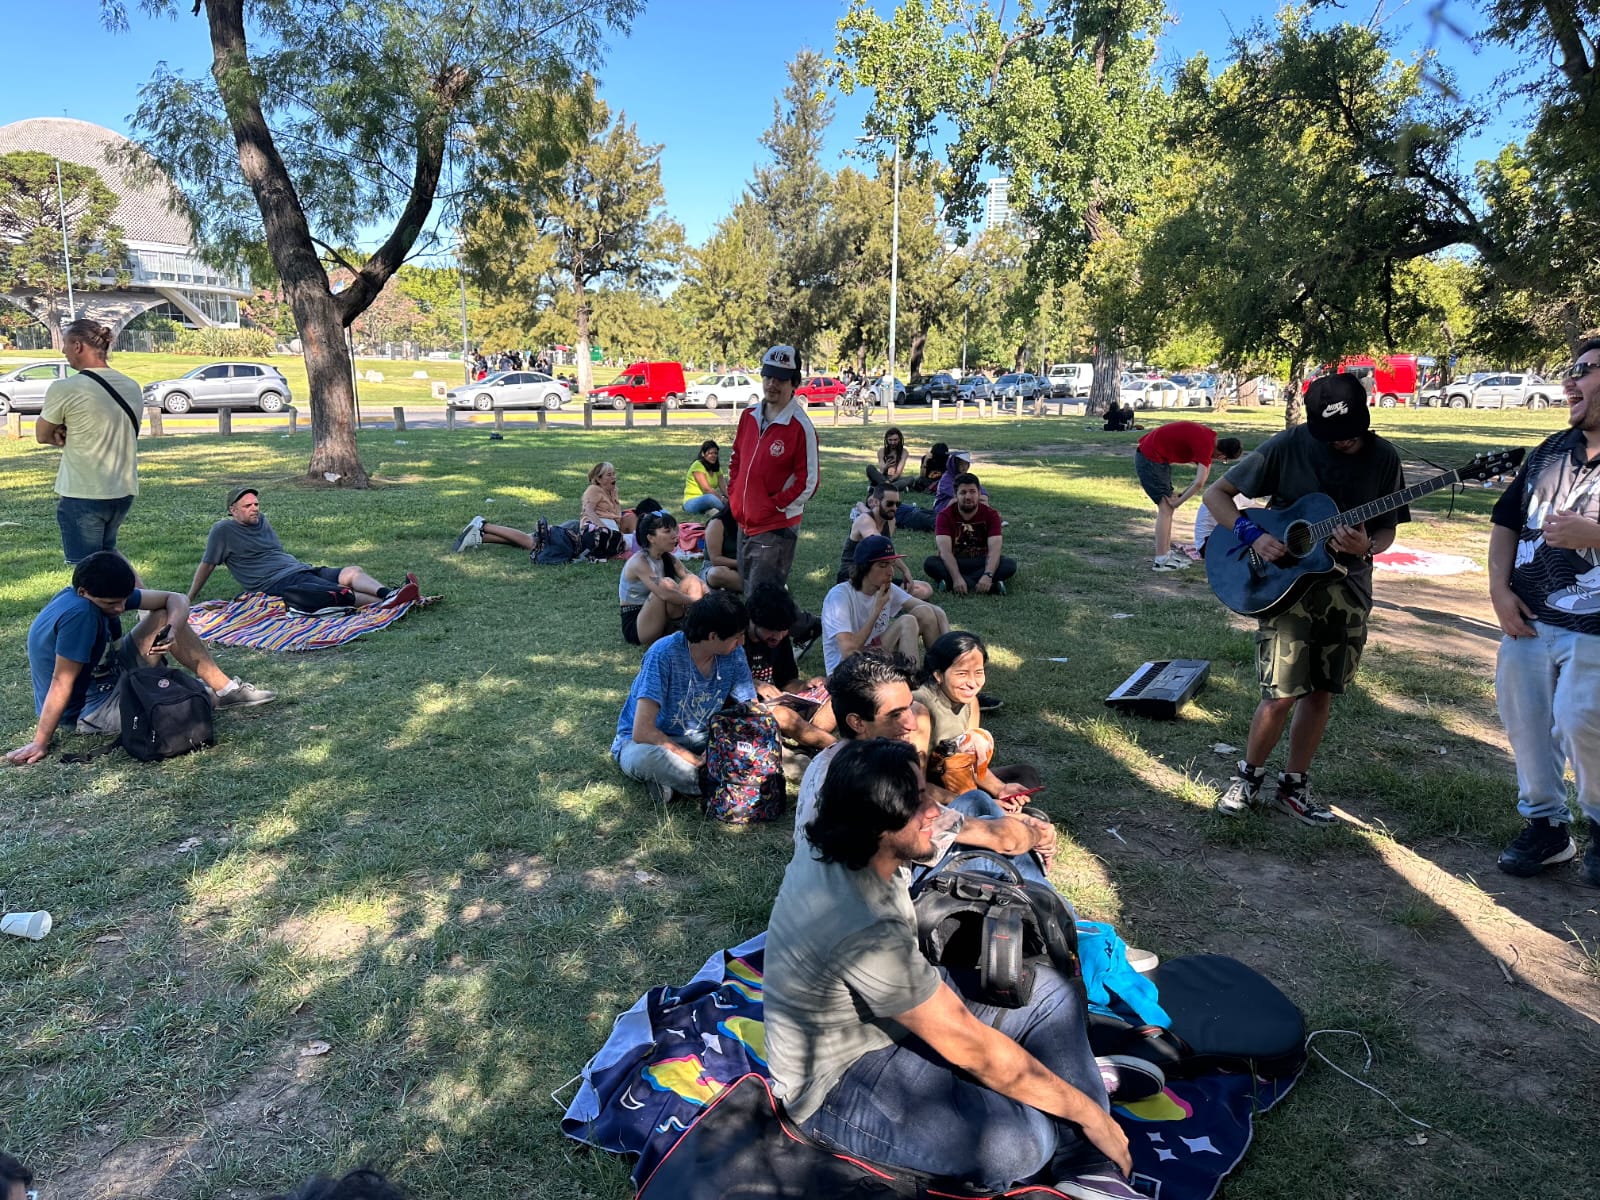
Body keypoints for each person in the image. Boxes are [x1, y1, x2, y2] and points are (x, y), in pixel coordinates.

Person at [765, 738, 1136, 1198]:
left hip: (892, 1022)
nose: (936, 813)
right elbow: (970, 1047)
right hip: (838, 1084)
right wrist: (1088, 1112)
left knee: (1049, 991)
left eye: (924, 793)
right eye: (917, 807)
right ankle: (1073, 1094)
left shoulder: (845, 833)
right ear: (877, 829)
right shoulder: (858, 922)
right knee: (1018, 1146)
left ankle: (1091, 1167)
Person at [1203, 373, 1406, 825]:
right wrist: (1252, 535)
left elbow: (1388, 527)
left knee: (1322, 690)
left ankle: (1294, 785)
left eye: (1352, 432)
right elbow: (1217, 495)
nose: (1345, 442)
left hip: (1348, 588)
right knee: (1279, 693)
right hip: (1286, 587)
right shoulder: (1287, 445)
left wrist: (1367, 547)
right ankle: (1248, 776)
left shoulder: (1384, 457)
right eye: (1334, 436)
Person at [1486, 337, 1600, 884]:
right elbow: (1507, 521)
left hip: (1595, 630)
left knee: (1584, 723)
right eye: (1569, 371)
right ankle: (1547, 827)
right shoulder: (1551, 449)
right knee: (1525, 722)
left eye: (1584, 370)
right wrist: (1498, 590)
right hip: (1529, 621)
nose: (1568, 383)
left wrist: (1595, 535)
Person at [792, 650, 1056, 884]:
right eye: (895, 714)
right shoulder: (880, 779)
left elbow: (944, 817)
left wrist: (1018, 821)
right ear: (857, 722)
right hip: (876, 907)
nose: (912, 723)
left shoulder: (828, 758)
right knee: (993, 856)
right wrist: (1036, 833)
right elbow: (1003, 839)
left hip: (827, 887)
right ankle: (1070, 929)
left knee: (975, 800)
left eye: (910, 707)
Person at [9, 551, 275, 765]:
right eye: (111, 604)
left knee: (164, 616)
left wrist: (171, 630)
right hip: (90, 710)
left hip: (112, 675)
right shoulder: (80, 616)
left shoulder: (94, 593)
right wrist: (41, 741)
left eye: (124, 600)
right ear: (83, 593)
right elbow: (60, 681)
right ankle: (208, 694)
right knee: (189, 705)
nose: (120, 609)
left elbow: (176, 599)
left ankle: (226, 689)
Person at [611, 591, 756, 804]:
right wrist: (691, 758)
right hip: (650, 743)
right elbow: (642, 731)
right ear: (713, 636)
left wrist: (731, 743)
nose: (742, 643)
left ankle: (683, 785)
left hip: (704, 737)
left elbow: (750, 707)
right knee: (645, 759)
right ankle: (723, 784)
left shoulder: (733, 654)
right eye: (737, 637)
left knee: (750, 745)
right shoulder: (663, 654)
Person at [188, 487, 419, 609]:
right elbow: (207, 565)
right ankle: (389, 604)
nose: (254, 509)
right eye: (247, 506)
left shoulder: (262, 520)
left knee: (352, 571)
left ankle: (389, 594)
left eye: (256, 504)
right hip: (276, 582)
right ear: (233, 510)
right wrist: (190, 597)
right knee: (337, 591)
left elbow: (276, 553)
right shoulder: (223, 531)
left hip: (299, 570)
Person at [34, 318, 145, 565]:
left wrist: (61, 431)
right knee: (108, 556)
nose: (62, 351)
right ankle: (154, 602)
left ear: (78, 346)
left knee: (88, 571)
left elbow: (42, 435)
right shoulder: (131, 386)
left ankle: (159, 601)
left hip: (84, 492)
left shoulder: (66, 388)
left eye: (65, 344)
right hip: (122, 490)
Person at [727, 345, 819, 597]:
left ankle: (801, 628)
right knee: (749, 590)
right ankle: (803, 627)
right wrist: (735, 494)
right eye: (768, 376)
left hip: (776, 528)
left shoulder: (800, 427)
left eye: (780, 378)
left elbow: (808, 481)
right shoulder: (749, 416)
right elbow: (736, 458)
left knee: (762, 599)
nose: (772, 384)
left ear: (794, 383)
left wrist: (774, 506)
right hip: (745, 522)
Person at [914, 631, 1040, 810]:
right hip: (923, 790)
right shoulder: (920, 709)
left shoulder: (971, 702)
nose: (972, 683)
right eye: (962, 674)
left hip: (956, 781)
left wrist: (1001, 789)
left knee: (1026, 775)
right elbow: (915, 784)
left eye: (978, 672)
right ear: (938, 675)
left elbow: (969, 763)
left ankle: (994, 810)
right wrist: (977, 802)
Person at [821, 535, 950, 676]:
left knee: (924, 612)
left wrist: (952, 648)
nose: (890, 572)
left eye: (891, 564)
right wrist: (877, 609)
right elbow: (849, 652)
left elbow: (931, 611)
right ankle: (914, 685)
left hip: (875, 657)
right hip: (846, 672)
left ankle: (941, 675)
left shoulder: (887, 588)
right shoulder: (839, 597)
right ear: (864, 568)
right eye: (883, 565)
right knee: (907, 622)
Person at [1135, 423, 1243, 571]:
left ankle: (1166, 553)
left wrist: (1180, 495)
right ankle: (1161, 560)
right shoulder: (1206, 445)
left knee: (1167, 509)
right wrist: (1177, 502)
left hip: (1158, 456)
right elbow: (1199, 483)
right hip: (1150, 456)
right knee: (1166, 508)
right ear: (1222, 455)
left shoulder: (1209, 437)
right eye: (1224, 460)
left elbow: (1202, 478)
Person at [743, 583, 837, 750]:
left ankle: (808, 741)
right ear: (753, 620)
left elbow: (786, 680)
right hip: (747, 708)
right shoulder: (736, 639)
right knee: (785, 716)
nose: (778, 637)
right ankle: (838, 748)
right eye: (772, 631)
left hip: (778, 703)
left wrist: (806, 686)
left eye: (783, 631)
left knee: (836, 692)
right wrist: (755, 683)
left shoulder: (779, 636)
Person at [619, 510, 706, 647]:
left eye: (674, 530)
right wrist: (695, 601)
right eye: (667, 531)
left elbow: (691, 577)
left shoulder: (668, 558)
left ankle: (688, 625)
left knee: (692, 580)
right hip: (637, 624)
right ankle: (683, 627)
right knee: (666, 586)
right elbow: (664, 593)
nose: (674, 535)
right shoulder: (639, 562)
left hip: (661, 615)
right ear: (651, 538)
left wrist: (711, 600)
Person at [926, 472, 1017, 595]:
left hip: (981, 561)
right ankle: (989, 587)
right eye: (963, 492)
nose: (968, 496)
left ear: (979, 493)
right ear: (955, 495)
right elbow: (945, 552)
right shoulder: (944, 516)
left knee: (1009, 564)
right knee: (930, 563)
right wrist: (957, 577)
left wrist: (988, 575)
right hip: (956, 560)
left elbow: (995, 549)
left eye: (972, 491)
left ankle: (952, 584)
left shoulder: (991, 514)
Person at [838, 484, 933, 598]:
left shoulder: (890, 521)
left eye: (897, 504)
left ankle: (886, 598)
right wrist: (905, 570)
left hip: (875, 573)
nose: (894, 508)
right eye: (890, 503)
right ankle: (886, 599)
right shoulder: (864, 521)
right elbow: (881, 548)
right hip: (853, 575)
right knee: (910, 591)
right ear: (876, 502)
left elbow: (887, 553)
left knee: (925, 588)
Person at [580, 462, 638, 537]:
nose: (613, 477)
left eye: (614, 474)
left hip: (614, 523)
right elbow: (588, 511)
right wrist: (604, 529)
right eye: (609, 475)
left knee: (632, 517)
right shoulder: (594, 489)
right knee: (628, 541)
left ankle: (636, 541)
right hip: (598, 524)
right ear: (599, 479)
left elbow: (613, 513)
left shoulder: (613, 491)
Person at [683, 439, 728, 516]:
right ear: (703, 454)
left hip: (710, 499)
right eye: (710, 453)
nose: (714, 455)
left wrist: (731, 499)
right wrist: (723, 500)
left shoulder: (716, 468)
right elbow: (707, 489)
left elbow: (724, 488)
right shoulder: (697, 465)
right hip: (692, 502)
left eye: (715, 453)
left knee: (726, 498)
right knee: (710, 498)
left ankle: (712, 511)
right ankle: (728, 511)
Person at [700, 509, 742, 592]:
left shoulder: (757, 521)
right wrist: (742, 563)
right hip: (717, 567)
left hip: (745, 568)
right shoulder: (717, 523)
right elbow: (716, 559)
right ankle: (754, 588)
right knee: (716, 574)